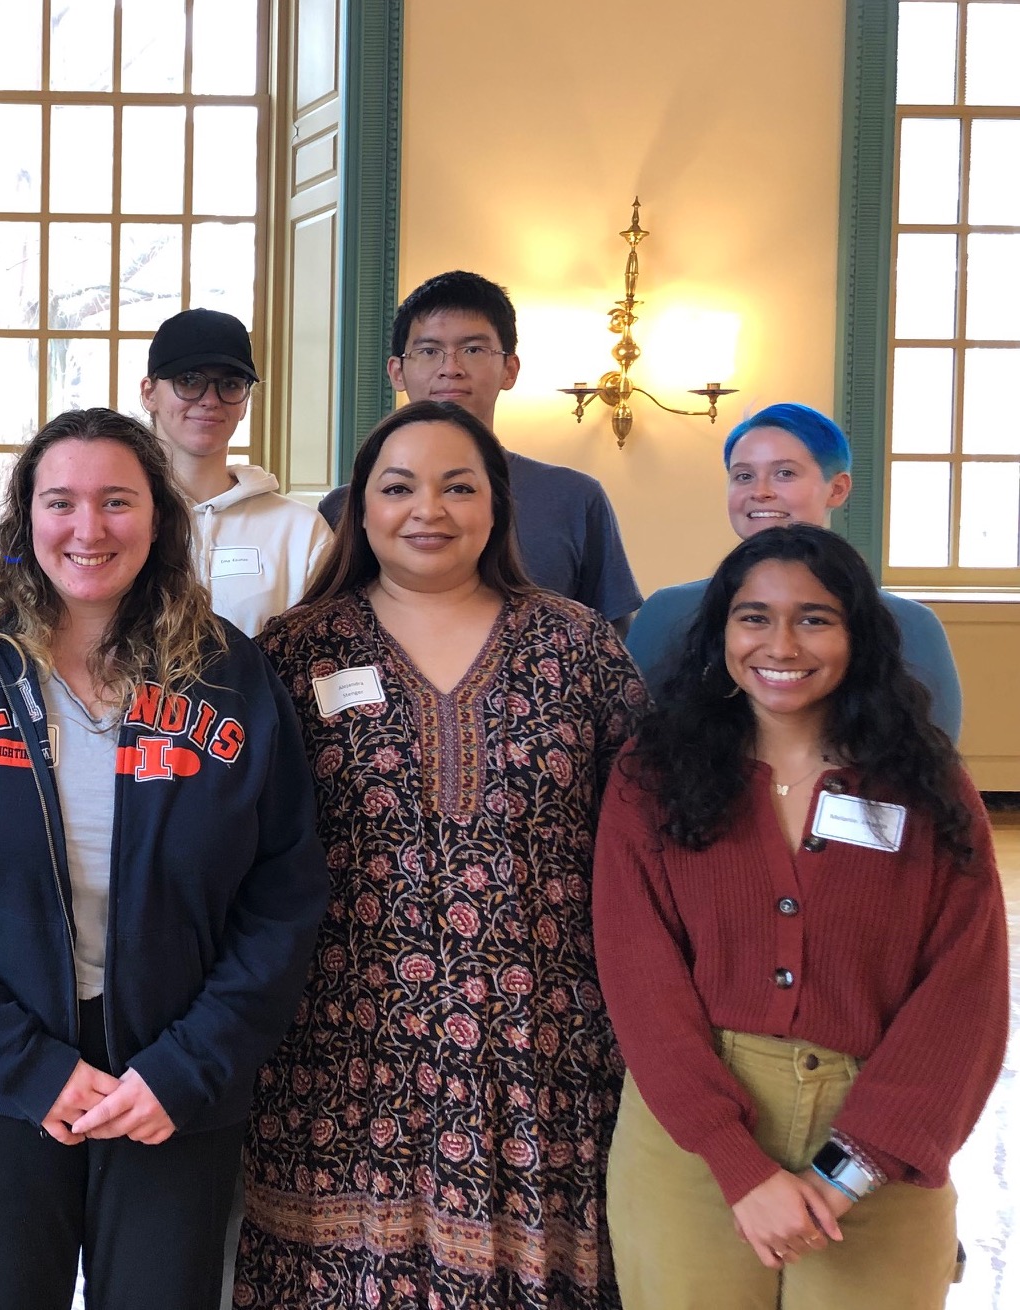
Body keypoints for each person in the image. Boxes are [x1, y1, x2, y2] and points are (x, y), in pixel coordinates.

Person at [0, 408, 328, 1310]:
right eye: (60, 501)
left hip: (174, 1070)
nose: (87, 528)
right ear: (24, 516)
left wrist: (188, 1069)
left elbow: (283, 890)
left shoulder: (229, 671)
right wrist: (23, 1065)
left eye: (117, 501)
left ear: (158, 516)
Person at [238, 399, 648, 1309]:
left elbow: (647, 850)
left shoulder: (578, 648)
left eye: (458, 486)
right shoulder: (293, 653)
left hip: (540, 1046)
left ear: (495, 505)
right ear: (359, 510)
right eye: (398, 487)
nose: (429, 509)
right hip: (338, 1051)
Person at [593, 523, 1005, 1308]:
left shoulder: (926, 788)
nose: (781, 643)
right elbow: (639, 976)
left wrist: (848, 1172)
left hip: (881, 1143)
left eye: (815, 617)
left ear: (859, 635)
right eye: (754, 617)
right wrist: (739, 1166)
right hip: (691, 1141)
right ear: (721, 633)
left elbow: (966, 996)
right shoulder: (652, 777)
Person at [316, 270, 643, 632]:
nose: (451, 369)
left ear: (510, 369)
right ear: (397, 371)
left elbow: (611, 635)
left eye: (472, 350)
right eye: (429, 351)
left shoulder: (573, 497)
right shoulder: (343, 506)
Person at [625, 402, 962, 740]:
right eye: (744, 476)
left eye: (784, 473)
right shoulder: (667, 612)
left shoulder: (911, 624)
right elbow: (632, 736)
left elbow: (932, 758)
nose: (760, 491)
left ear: (838, 489)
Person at [139, 308, 331, 637]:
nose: (210, 400)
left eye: (229, 384)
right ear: (149, 393)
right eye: (189, 380)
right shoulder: (113, 517)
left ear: (245, 402)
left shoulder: (299, 532)